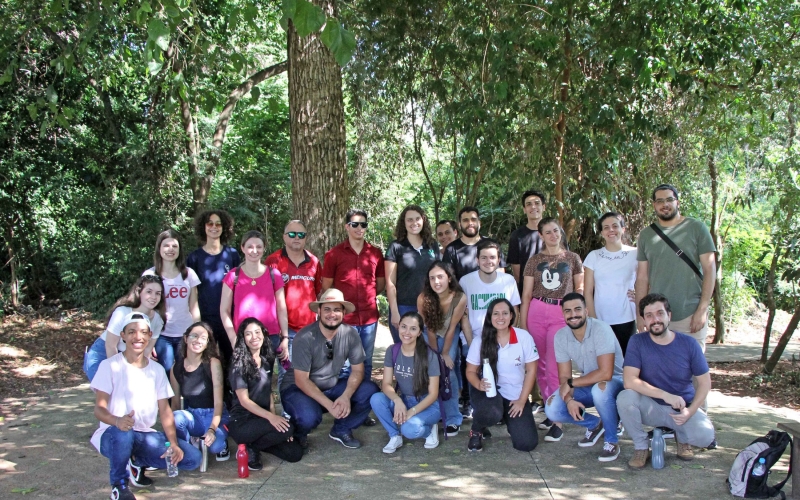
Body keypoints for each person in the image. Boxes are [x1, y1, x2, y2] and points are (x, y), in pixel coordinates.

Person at [90, 312, 201, 500]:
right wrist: (117, 420)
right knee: (124, 433)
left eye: (143, 332)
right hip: (113, 434)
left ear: (150, 336)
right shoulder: (109, 366)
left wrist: (173, 443)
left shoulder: (156, 370)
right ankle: (119, 485)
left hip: (144, 435)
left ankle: (135, 461)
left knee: (191, 458)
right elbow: (99, 409)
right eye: (131, 332)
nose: (138, 337)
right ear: (123, 336)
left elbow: (165, 411)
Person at [617, 293, 715, 469]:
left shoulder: (689, 344)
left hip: (681, 409)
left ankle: (682, 439)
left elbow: (705, 383)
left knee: (705, 437)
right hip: (650, 406)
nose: (655, 320)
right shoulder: (637, 341)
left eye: (660, 313)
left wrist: (690, 411)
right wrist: (665, 395)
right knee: (625, 398)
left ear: (669, 316)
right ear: (644, 321)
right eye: (649, 316)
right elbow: (629, 381)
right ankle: (641, 446)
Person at [279, 289, 380, 449]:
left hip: (331, 386)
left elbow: (358, 371)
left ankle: (341, 429)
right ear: (319, 311)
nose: (331, 314)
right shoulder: (305, 337)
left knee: (370, 390)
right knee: (309, 417)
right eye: (327, 309)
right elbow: (301, 380)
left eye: (336, 309)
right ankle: (298, 433)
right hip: (297, 389)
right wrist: (330, 405)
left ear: (343, 312)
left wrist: (346, 396)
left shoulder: (350, 334)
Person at [520, 217, 584, 433]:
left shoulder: (573, 258)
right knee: (539, 365)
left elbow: (580, 290)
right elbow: (527, 294)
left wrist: (577, 316)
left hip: (561, 312)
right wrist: (524, 324)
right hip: (537, 310)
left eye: (556, 231)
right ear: (541, 235)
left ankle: (557, 418)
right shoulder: (533, 260)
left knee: (555, 366)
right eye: (547, 232)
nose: (553, 235)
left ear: (561, 231)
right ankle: (550, 410)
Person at [543, 293, 624, 462]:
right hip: (588, 382)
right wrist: (569, 401)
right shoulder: (561, 336)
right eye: (568, 311)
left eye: (578, 309)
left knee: (600, 390)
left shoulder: (601, 329)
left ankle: (611, 441)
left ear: (586, 311)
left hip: (616, 383)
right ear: (563, 314)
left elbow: (606, 373)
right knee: (553, 408)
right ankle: (595, 424)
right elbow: (564, 376)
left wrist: (572, 383)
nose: (573, 314)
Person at [635, 184, 716, 350]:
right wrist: (641, 314)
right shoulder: (646, 235)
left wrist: (702, 309)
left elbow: (710, 270)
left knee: (693, 369)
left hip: (690, 312)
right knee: (660, 370)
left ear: (677, 202)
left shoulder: (696, 228)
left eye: (669, 199)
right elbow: (642, 277)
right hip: (657, 315)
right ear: (654, 205)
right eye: (660, 201)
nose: (665, 204)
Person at [226, 318, 304, 470]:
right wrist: (272, 419)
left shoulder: (266, 359)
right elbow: (244, 401)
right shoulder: (238, 364)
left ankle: (255, 445)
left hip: (262, 420)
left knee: (295, 453)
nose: (254, 337)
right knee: (287, 429)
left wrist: (275, 418)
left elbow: (268, 392)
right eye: (248, 334)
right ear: (243, 338)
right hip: (242, 422)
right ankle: (249, 446)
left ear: (264, 334)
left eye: (257, 332)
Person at [465, 299, 539, 452]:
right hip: (488, 392)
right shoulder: (480, 340)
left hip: (515, 395)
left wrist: (522, 400)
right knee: (492, 413)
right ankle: (477, 429)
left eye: (505, 313)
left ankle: (508, 418)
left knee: (526, 444)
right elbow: (470, 371)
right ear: (490, 317)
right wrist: (478, 384)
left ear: (511, 316)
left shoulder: (523, 337)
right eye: (496, 314)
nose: (501, 317)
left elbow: (531, 370)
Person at [322, 209, 386, 383]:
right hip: (344, 320)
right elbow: (327, 287)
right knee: (343, 364)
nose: (359, 228)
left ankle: (362, 404)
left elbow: (380, 284)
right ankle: (343, 404)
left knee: (366, 363)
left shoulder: (375, 253)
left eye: (363, 224)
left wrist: (368, 296)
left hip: (369, 318)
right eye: (355, 224)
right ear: (347, 227)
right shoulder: (334, 254)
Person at [220, 230, 290, 378]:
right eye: (250, 246)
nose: (254, 251)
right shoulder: (233, 275)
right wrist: (233, 339)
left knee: (265, 380)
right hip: (243, 337)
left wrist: (285, 338)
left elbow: (281, 308)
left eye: (259, 247)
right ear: (242, 248)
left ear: (264, 248)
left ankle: (267, 402)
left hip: (269, 337)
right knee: (243, 379)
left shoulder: (274, 275)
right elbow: (224, 310)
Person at [370, 312, 442, 453]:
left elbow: (433, 394)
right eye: (404, 327)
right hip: (404, 399)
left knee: (409, 429)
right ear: (398, 328)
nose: (407, 332)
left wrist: (412, 411)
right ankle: (394, 436)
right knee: (376, 399)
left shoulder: (429, 355)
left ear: (420, 332)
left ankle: (429, 430)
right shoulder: (393, 350)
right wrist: (397, 401)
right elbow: (386, 384)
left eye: (413, 328)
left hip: (428, 404)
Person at [265, 220, 323, 386]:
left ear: (305, 238)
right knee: (287, 374)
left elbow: (318, 291)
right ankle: (287, 412)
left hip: (310, 330)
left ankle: (307, 409)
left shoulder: (314, 261)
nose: (296, 238)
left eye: (301, 235)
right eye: (292, 234)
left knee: (309, 373)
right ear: (284, 237)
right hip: (284, 330)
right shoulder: (273, 261)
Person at [417, 261, 471, 436]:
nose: (436, 282)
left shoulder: (459, 297)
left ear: (449, 278)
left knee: (449, 371)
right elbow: (430, 329)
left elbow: (453, 326)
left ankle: (453, 418)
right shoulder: (423, 298)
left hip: (449, 332)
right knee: (431, 370)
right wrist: (436, 356)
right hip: (428, 333)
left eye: (440, 277)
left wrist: (445, 353)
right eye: (432, 278)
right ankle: (432, 412)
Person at [83, 275, 166, 382]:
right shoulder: (122, 312)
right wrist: (117, 374)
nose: (153, 297)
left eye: (158, 293)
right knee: (109, 392)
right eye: (149, 292)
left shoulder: (158, 320)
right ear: (139, 292)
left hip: (130, 357)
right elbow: (110, 345)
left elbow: (147, 350)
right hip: (104, 353)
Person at [170, 322, 231, 465]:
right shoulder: (176, 368)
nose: (198, 340)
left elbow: (218, 403)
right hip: (193, 416)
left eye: (203, 338)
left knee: (215, 447)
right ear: (186, 338)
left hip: (214, 414)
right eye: (194, 336)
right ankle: (189, 446)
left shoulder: (212, 363)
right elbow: (176, 404)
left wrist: (211, 429)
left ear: (207, 343)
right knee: (176, 417)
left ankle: (222, 442)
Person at [187, 209, 241, 363]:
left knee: (232, 359)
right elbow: (192, 294)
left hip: (229, 318)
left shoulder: (232, 255)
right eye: (210, 223)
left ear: (224, 228)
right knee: (206, 360)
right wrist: (196, 322)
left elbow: (238, 286)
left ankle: (230, 388)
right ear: (203, 227)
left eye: (218, 224)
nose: (214, 227)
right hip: (205, 318)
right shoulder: (194, 258)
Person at [144, 229, 201, 372]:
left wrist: (197, 332)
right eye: (166, 245)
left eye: (174, 246)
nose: (170, 249)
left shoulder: (189, 274)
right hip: (161, 334)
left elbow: (194, 306)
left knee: (185, 372)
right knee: (167, 371)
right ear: (159, 248)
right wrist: (147, 341)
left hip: (185, 333)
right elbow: (144, 309)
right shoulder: (150, 275)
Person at [583, 212, 638, 355]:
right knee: (605, 363)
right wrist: (593, 319)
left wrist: (639, 296)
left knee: (628, 361)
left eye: (615, 226)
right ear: (601, 232)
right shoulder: (593, 256)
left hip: (628, 317)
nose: (611, 230)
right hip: (601, 319)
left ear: (623, 229)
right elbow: (588, 291)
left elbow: (646, 281)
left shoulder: (635, 254)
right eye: (606, 227)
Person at [385, 205, 440, 344]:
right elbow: (390, 282)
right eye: (409, 220)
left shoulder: (432, 245)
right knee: (404, 351)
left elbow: (440, 276)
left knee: (428, 351)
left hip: (429, 306)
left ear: (423, 220)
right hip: (404, 306)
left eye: (417, 219)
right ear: (403, 222)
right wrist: (395, 311)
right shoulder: (396, 247)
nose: (414, 223)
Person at [459, 239, 521, 340]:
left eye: (492, 257)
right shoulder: (465, 282)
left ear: (498, 260)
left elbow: (514, 310)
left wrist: (507, 337)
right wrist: (471, 345)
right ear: (477, 261)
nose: (488, 262)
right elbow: (464, 316)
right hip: (474, 338)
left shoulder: (508, 281)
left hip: (502, 337)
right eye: (484, 258)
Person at [442, 206, 506, 281]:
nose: (470, 223)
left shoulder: (492, 245)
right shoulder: (451, 249)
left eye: (473, 219)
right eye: (465, 220)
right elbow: (449, 280)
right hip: (463, 292)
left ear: (479, 223)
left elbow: (501, 274)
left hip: (490, 292)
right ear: (459, 225)